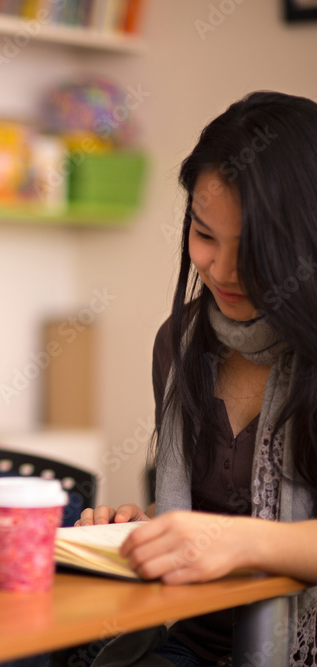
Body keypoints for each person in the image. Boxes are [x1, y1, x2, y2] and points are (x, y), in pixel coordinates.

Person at [77, 91, 317, 666]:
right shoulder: (181, 340)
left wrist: (243, 542)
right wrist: (152, 528)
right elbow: (219, 516)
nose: (224, 271)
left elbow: (241, 533)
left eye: (255, 248)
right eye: (205, 237)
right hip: (188, 640)